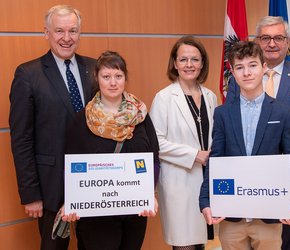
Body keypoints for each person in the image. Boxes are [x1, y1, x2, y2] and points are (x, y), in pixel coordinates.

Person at [199, 41, 290, 250]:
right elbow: (215, 158)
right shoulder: (223, 113)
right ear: (233, 73)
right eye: (239, 67)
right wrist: (205, 199)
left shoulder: (282, 112)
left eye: (252, 65)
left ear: (264, 67)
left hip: (268, 214)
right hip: (232, 215)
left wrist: (288, 198)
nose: (246, 73)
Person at [226, 17, 290, 250]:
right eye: (265, 38)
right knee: (261, 236)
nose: (272, 43)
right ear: (257, 42)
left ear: (288, 43)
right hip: (250, 175)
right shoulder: (240, 77)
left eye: (279, 38)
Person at [9, 5, 96, 249]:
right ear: (46, 33)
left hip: (95, 183)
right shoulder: (28, 74)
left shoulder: (95, 68)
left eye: (73, 31)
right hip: (51, 187)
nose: (66, 38)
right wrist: (31, 194)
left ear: (80, 33)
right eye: (59, 31)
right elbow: (21, 139)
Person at [61, 51, 160, 250]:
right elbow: (70, 167)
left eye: (118, 76)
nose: (113, 83)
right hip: (97, 215)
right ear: (97, 79)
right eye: (106, 77)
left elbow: (154, 158)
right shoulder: (82, 120)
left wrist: (150, 194)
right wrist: (71, 201)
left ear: (125, 78)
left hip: (134, 210)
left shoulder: (140, 115)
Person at [150, 36, 217, 250]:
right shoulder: (164, 98)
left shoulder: (211, 96)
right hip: (179, 183)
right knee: (184, 244)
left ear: (203, 63)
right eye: (183, 59)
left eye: (195, 60)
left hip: (206, 182)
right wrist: (194, 155)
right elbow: (156, 142)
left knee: (201, 242)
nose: (189, 65)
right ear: (175, 63)